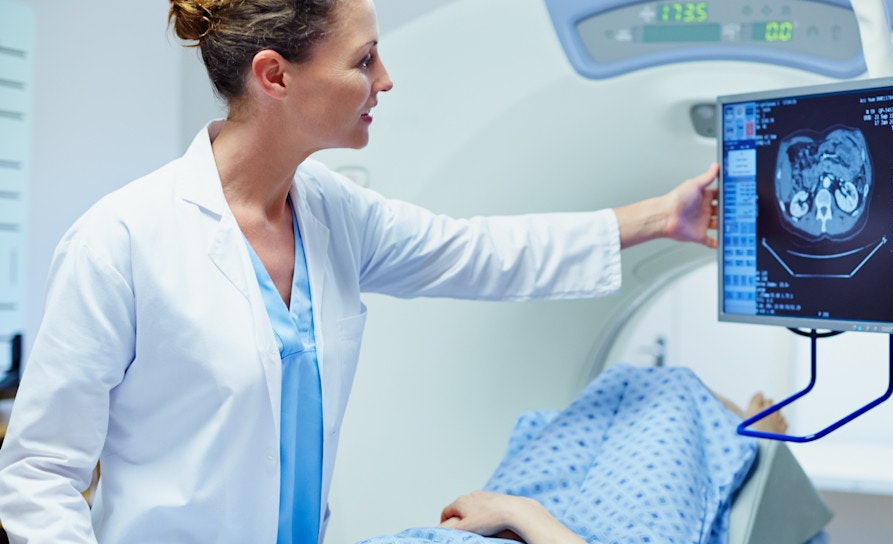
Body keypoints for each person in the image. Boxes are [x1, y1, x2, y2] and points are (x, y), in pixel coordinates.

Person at [0, 1, 720, 543]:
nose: (386, 79)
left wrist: (664, 216)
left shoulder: (330, 212)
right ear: (275, 76)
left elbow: (478, 251)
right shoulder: (122, 239)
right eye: (364, 59)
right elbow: (40, 475)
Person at [359, 365, 791, 544]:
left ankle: (744, 430)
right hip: (579, 532)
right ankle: (753, 435)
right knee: (672, 391)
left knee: (623, 386)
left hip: (489, 528)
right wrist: (517, 511)